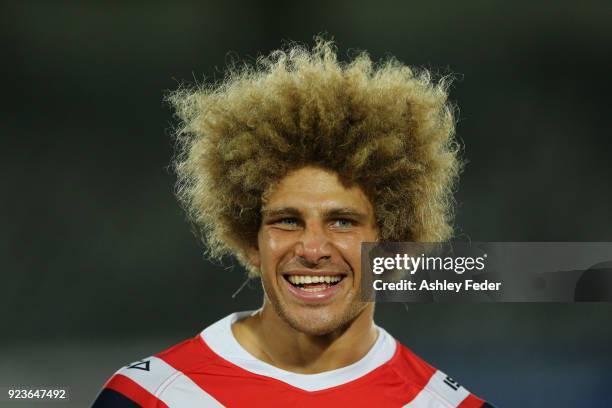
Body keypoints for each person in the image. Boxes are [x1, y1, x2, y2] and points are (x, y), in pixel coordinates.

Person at [93, 39, 493, 407]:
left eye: (341, 222)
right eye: (287, 221)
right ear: (251, 240)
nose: (313, 249)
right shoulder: (146, 398)